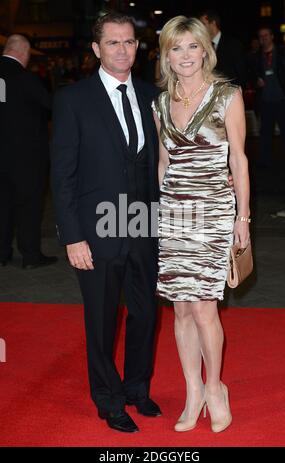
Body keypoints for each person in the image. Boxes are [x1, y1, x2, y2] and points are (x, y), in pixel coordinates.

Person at [51, 13, 161, 433]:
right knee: (100, 319)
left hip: (144, 225)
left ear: (138, 47)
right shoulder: (73, 99)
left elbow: (160, 163)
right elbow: (62, 175)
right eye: (113, 43)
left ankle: (136, 387)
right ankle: (108, 398)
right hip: (96, 230)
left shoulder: (153, 96)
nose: (122, 50)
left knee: (146, 313)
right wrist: (72, 236)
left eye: (129, 42)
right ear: (96, 49)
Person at [152, 16, 250, 433]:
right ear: (167, 56)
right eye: (177, 48)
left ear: (206, 50)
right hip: (176, 214)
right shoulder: (158, 104)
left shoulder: (227, 95)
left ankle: (215, 388)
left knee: (205, 307)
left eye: (193, 47)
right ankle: (192, 390)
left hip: (213, 213)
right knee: (181, 309)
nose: (185, 56)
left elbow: (239, 160)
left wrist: (241, 217)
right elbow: (163, 163)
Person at [0, 34, 57, 269]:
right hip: (27, 156)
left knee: (2, 205)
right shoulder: (25, 78)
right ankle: (31, 256)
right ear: (23, 53)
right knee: (29, 205)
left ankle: (2, 254)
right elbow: (51, 106)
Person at [250, 26, 285, 167]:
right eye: (261, 36)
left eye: (266, 35)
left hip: (282, 99)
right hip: (265, 100)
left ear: (272, 36)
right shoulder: (256, 57)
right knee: (265, 133)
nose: (263, 38)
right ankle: (265, 162)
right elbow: (251, 75)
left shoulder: (283, 53)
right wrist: (256, 80)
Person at [199, 9, 247, 88]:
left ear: (213, 23)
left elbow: (241, 73)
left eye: (203, 24)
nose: (200, 29)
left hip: (230, 92)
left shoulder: (233, 44)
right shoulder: (203, 46)